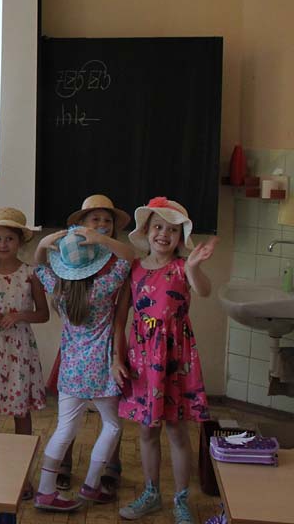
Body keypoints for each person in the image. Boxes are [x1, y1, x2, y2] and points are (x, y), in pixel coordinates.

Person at [113, 197, 217, 524]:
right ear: (146, 231)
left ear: (180, 237)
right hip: (142, 360)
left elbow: (204, 291)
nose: (163, 234)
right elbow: (120, 319)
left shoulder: (182, 268)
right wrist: (117, 358)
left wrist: (194, 267)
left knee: (176, 430)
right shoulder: (134, 269)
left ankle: (181, 499)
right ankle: (151, 493)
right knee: (147, 431)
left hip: (176, 359)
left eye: (172, 230)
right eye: (158, 227)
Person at [32, 220, 134, 511]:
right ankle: (91, 484)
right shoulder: (104, 287)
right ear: (94, 265)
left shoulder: (58, 290)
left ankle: (45, 490)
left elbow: (39, 266)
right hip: (101, 369)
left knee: (65, 428)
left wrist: (42, 245)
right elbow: (129, 257)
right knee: (111, 426)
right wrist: (101, 240)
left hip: (70, 371)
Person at [0, 207, 48, 500]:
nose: (3, 244)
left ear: (20, 241)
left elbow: (43, 314)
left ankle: (22, 475)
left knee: (21, 412)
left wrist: (20, 315)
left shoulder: (31, 274)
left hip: (19, 349)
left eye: (9, 239)